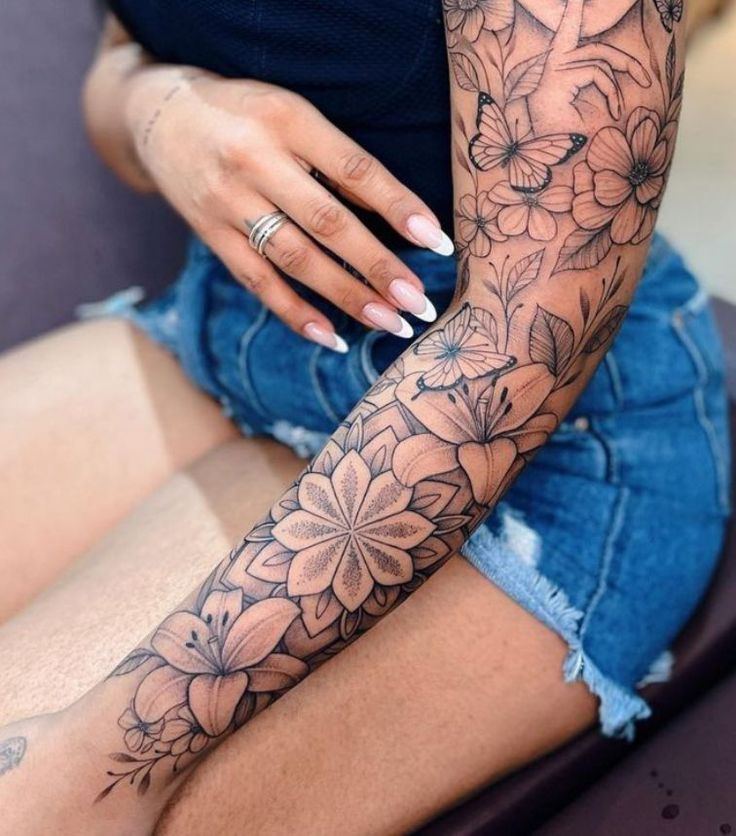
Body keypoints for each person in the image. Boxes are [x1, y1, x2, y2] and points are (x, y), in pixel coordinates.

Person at [0, 1, 731, 833]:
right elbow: (117, 58)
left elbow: (523, 343)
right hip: (238, 333)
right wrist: (160, 110)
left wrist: (100, 765)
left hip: (533, 438)